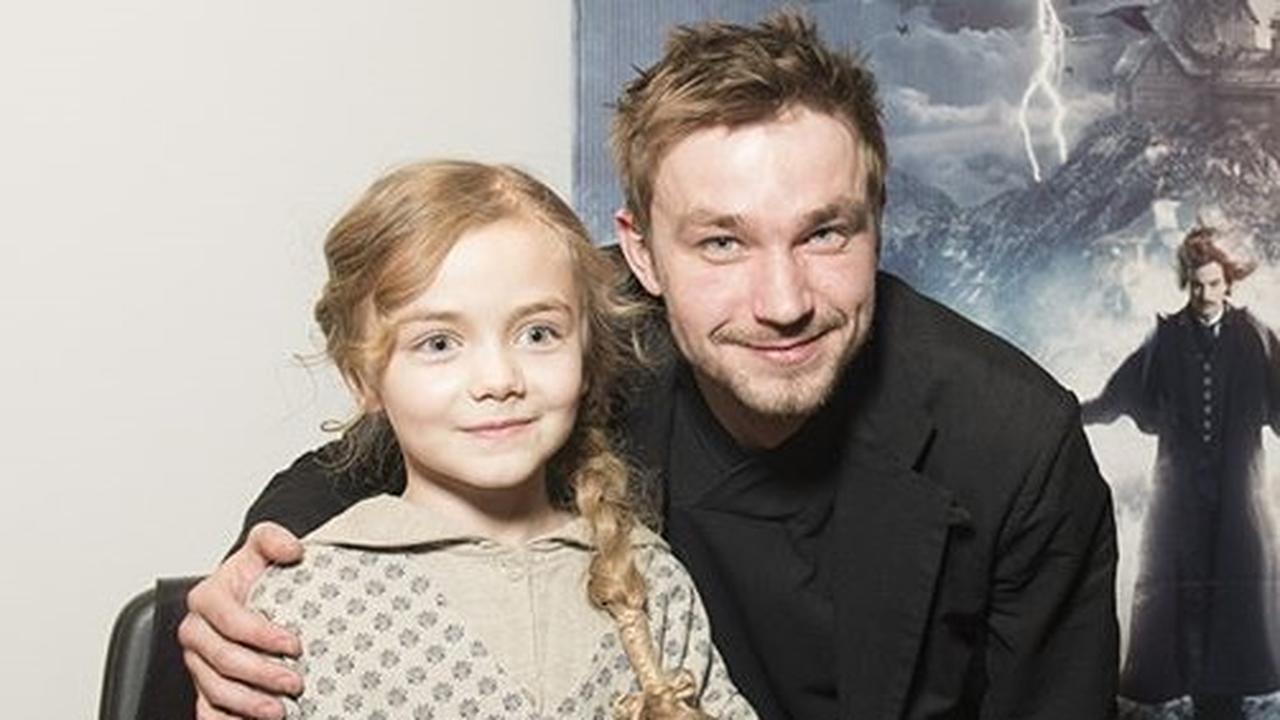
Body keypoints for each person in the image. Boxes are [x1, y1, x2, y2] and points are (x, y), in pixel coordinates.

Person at [179, 13, 1118, 720]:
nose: (782, 299)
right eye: (721, 242)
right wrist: (253, 580)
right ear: (640, 255)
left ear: (878, 223)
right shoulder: (566, 345)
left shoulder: (1014, 444)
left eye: (824, 232)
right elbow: (380, 448)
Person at [230, 159, 753, 719]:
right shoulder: (304, 600)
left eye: (538, 334)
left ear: (587, 354)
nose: (499, 380)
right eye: (439, 344)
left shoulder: (652, 579)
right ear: (363, 378)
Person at [1082, 227, 1280, 719]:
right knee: (1182, 593)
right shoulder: (1166, 338)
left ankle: (1226, 703)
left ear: (1228, 284)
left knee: (1235, 591)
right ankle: (1196, 698)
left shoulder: (1255, 337)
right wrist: (1065, 413)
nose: (1205, 295)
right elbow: (1117, 396)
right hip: (1179, 497)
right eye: (1196, 285)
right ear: (1186, 283)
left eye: (1213, 284)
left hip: (1239, 495)